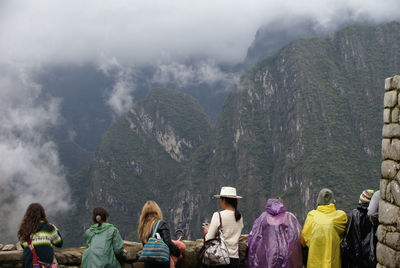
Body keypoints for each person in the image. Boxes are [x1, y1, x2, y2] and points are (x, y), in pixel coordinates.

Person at [247, 198, 302, 268]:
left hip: (266, 256)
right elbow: (295, 237)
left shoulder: (262, 218)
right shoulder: (289, 217)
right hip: (285, 254)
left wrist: (252, 261)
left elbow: (253, 239)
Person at [301, 188, 347, 268]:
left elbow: (303, 239)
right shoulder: (340, 216)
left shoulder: (312, 216)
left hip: (314, 263)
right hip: (333, 262)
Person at [202, 186, 244, 268]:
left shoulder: (218, 215)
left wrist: (207, 231)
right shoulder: (239, 217)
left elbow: (208, 238)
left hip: (220, 258)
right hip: (234, 259)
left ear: (223, 200)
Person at [138, 200, 183, 268]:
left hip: (148, 262)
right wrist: (178, 253)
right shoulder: (161, 224)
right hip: (161, 262)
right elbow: (168, 243)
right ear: (157, 211)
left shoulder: (142, 227)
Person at [17, 203, 63, 268]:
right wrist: (56, 229)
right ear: (42, 214)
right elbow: (59, 243)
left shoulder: (22, 231)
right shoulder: (49, 228)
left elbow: (23, 245)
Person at [341, 189, 376, 268]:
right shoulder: (374, 218)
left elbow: (348, 239)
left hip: (353, 258)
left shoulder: (353, 215)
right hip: (368, 259)